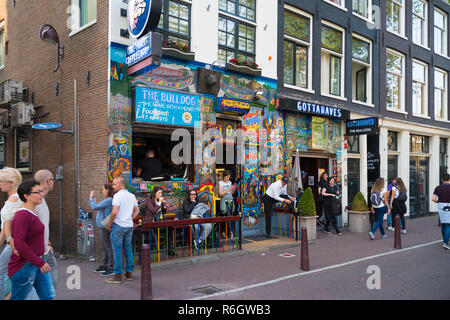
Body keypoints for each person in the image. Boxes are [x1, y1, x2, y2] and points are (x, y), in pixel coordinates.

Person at [8, 180, 54, 300]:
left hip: (38, 262)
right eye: (37, 192)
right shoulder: (22, 215)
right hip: (24, 265)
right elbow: (20, 243)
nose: (41, 194)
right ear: (27, 196)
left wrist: (47, 245)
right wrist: (39, 262)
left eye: (41, 191)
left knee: (48, 296)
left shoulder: (33, 213)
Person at [105, 177, 140, 284]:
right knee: (128, 249)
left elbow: (114, 213)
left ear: (120, 185)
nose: (112, 186)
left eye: (114, 184)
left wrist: (110, 225)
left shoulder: (117, 196)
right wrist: (129, 218)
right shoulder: (131, 196)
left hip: (119, 226)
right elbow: (137, 210)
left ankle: (117, 276)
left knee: (117, 251)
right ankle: (128, 273)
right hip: (129, 226)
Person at [0, 168, 23, 299]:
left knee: (3, 272)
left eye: (1, 181)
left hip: (13, 242)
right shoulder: (15, 198)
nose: (0, 184)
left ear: (10, 182)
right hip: (14, 242)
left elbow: (7, 224)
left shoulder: (15, 199)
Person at [33, 169, 58, 289]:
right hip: (39, 252)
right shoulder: (38, 199)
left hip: (44, 249)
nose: (53, 182)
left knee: (48, 285)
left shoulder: (40, 198)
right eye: (53, 180)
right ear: (48, 181)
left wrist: (48, 242)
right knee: (49, 285)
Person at [89, 183, 115, 277]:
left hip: (105, 227)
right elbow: (98, 208)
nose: (102, 191)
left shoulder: (109, 200)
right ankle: (105, 265)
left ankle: (110, 268)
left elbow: (94, 207)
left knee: (108, 247)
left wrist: (91, 198)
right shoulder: (108, 200)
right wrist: (94, 202)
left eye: (103, 189)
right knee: (105, 247)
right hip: (103, 227)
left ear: (108, 190)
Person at [432, 173, 450, 250]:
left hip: (441, 206)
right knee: (449, 224)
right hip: (449, 205)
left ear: (442, 179)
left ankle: (444, 239)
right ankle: (445, 242)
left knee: (443, 223)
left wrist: (438, 201)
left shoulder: (438, 188)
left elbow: (433, 198)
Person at [218, 170, 236, 239]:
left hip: (230, 201)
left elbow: (232, 193)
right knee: (228, 216)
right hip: (224, 201)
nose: (228, 179)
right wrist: (228, 189)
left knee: (228, 216)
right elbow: (220, 194)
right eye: (227, 177)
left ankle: (222, 231)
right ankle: (230, 232)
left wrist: (233, 189)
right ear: (224, 177)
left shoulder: (230, 182)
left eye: (229, 177)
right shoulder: (220, 183)